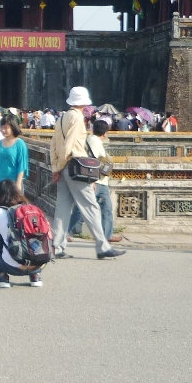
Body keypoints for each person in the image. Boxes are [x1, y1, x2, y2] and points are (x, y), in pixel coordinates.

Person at [49, 86, 124, 260]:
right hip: (75, 166)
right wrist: (60, 166)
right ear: (83, 102)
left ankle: (57, 247)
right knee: (91, 206)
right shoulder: (77, 118)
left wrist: (56, 168)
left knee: (62, 208)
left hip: (63, 167)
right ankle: (102, 246)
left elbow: (54, 144)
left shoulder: (62, 117)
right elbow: (69, 145)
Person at [0, 180, 47, 289]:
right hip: (39, 263)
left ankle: (2, 277)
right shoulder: (31, 210)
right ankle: (35, 275)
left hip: (12, 266)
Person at [66, 119, 120, 246]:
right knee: (84, 208)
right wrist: (92, 181)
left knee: (103, 207)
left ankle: (106, 235)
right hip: (97, 181)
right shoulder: (95, 142)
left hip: (100, 181)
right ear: (105, 133)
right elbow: (91, 162)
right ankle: (67, 231)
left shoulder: (91, 139)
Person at [0, 114, 29, 195]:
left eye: (6, 127)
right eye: (1, 127)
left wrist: (18, 183)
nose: (3, 130)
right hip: (0, 183)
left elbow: (22, 165)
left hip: (13, 183)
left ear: (13, 127)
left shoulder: (20, 144)